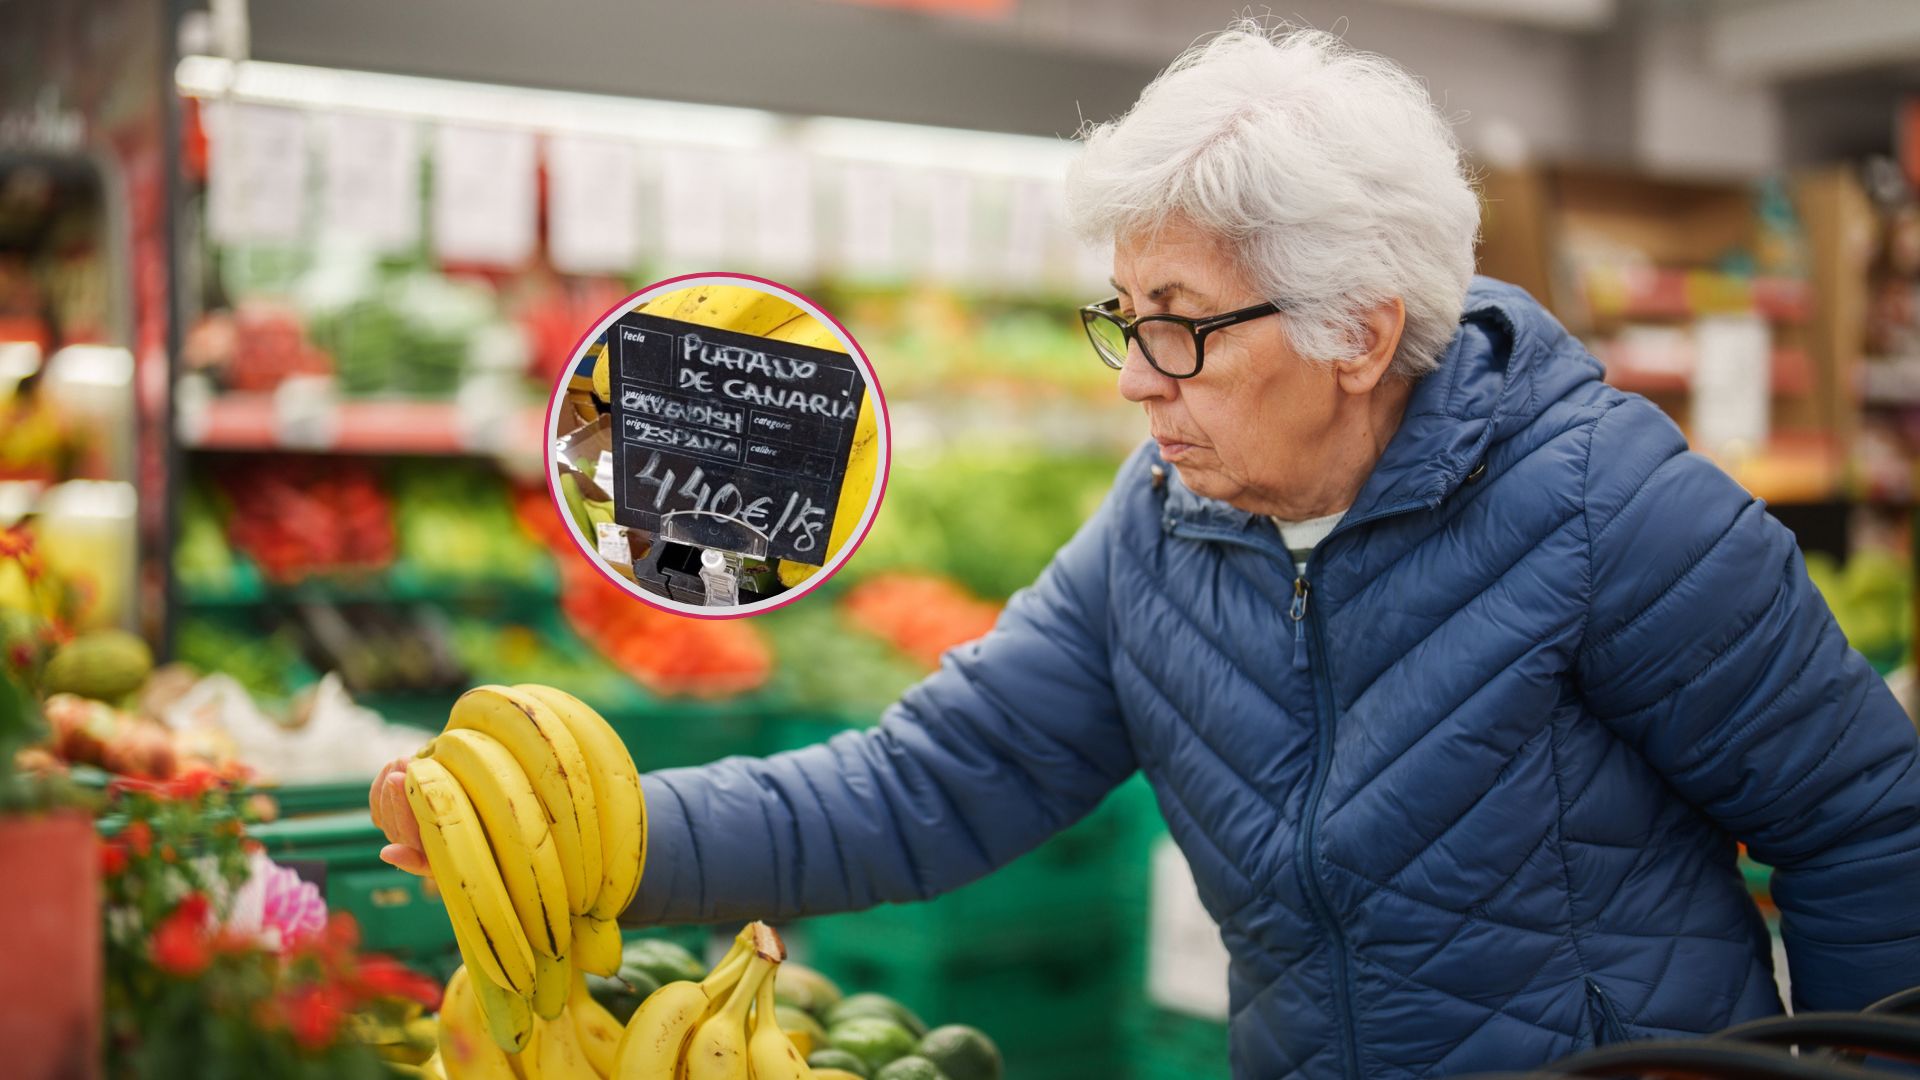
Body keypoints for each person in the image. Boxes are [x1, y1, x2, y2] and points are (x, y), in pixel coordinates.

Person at [372, 22, 1920, 1079]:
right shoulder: (1161, 529)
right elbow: (933, 781)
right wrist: (595, 838)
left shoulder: (1606, 507)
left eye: (1176, 329)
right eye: (1124, 319)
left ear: (1358, 333)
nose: (1132, 378)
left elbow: (1862, 823)